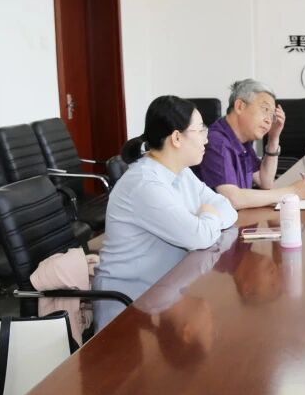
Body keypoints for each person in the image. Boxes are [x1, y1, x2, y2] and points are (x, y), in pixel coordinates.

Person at [93, 96, 238, 330]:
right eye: (200, 130)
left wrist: (206, 218)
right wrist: (208, 216)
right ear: (177, 138)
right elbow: (199, 236)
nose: (206, 138)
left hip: (163, 292)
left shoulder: (181, 172)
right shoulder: (145, 184)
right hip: (129, 308)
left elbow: (228, 208)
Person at [194, 79, 305, 209]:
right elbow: (232, 199)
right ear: (240, 106)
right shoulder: (217, 142)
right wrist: (293, 191)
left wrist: (273, 138)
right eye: (265, 109)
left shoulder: (242, 141)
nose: (269, 120)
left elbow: (265, 181)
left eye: (272, 115)